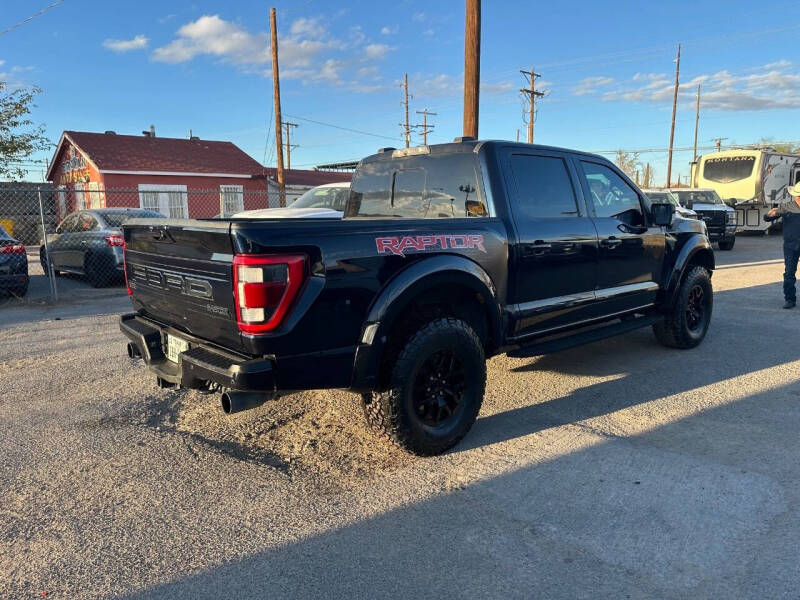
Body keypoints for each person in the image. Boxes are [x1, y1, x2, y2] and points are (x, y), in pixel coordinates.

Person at [765, 183, 800, 308]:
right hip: (791, 246)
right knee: (789, 272)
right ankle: (790, 299)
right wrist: (769, 214)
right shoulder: (786, 207)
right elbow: (767, 219)